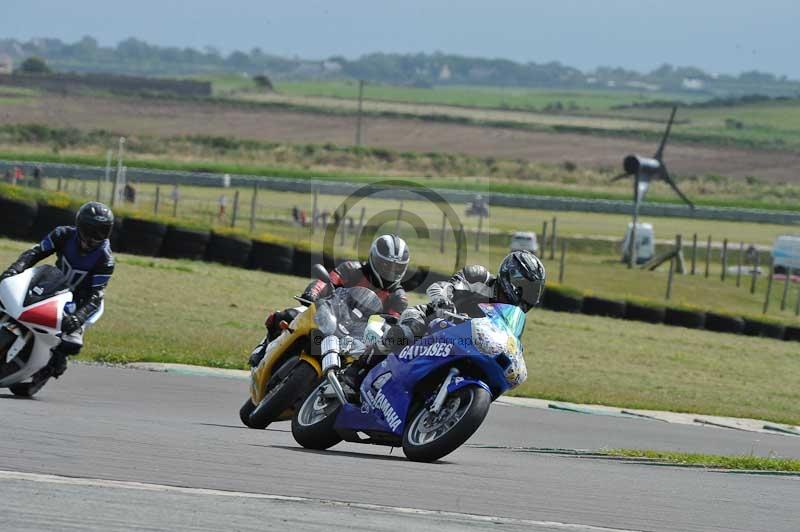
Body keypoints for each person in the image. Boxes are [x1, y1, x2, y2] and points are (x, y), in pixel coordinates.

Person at [339, 250, 546, 396]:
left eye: (534, 292)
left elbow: (509, 341)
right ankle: (353, 374)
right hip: (433, 320)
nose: (529, 297)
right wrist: (443, 302)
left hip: (464, 345)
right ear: (511, 278)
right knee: (408, 331)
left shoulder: (512, 316)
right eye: (527, 289)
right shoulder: (480, 277)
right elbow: (443, 286)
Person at [250, 234, 411, 367]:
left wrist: (386, 334)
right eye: (385, 264)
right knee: (286, 315)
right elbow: (326, 282)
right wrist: (312, 293)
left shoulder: (398, 297)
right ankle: (263, 348)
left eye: (396, 268)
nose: (390, 271)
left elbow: (393, 322)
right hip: (329, 314)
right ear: (374, 258)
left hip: (357, 337)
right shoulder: (352, 269)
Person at [0, 202, 115, 380]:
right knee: (7, 297)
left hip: (79, 300)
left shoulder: (105, 258)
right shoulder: (62, 234)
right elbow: (35, 253)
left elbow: (96, 294)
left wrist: (79, 317)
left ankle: (54, 363)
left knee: (71, 342)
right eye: (91, 230)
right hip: (52, 283)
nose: (95, 237)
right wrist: (15, 269)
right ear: (80, 225)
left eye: (102, 231)